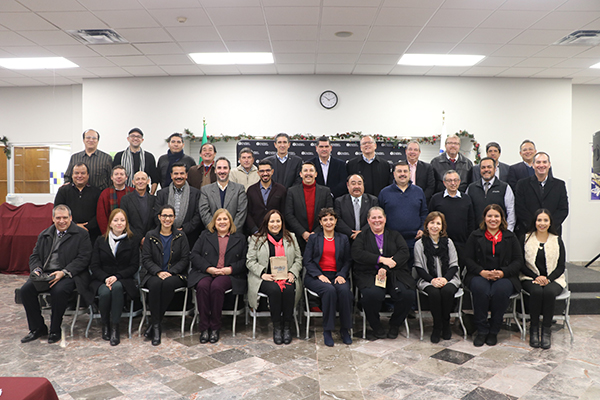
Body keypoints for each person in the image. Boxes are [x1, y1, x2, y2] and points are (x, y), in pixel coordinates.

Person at [20, 205, 92, 344]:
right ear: (53, 218)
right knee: (25, 291)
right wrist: (36, 269)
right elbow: (35, 256)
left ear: (71, 218)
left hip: (70, 274)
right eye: (58, 218)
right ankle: (37, 328)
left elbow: (84, 258)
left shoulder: (81, 234)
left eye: (65, 217)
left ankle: (55, 330)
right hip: (46, 273)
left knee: (58, 291)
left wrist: (63, 272)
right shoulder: (45, 234)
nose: (62, 221)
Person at [464, 204, 523, 347]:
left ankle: (493, 331)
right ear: (484, 218)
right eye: (489, 216)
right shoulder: (475, 235)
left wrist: (503, 272)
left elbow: (518, 260)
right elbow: (467, 259)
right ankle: (482, 330)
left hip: (505, 276)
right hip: (479, 275)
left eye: (496, 216)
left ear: (502, 218)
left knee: (500, 291)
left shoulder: (510, 236)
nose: (493, 219)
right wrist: (481, 272)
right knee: (480, 290)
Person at [352, 207, 414, 340]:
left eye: (379, 217)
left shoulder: (395, 235)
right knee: (372, 295)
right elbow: (357, 254)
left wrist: (385, 267)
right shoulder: (362, 236)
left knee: (407, 294)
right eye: (373, 218)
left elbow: (404, 252)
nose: (377, 220)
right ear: (368, 220)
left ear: (385, 219)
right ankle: (376, 325)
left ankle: (395, 324)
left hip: (394, 273)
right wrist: (380, 259)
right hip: (369, 274)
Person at [189, 209, 247, 344]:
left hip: (229, 274)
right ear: (214, 222)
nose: (222, 222)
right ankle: (204, 328)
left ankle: (215, 327)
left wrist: (230, 269)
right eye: (219, 219)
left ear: (230, 222)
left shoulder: (240, 238)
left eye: (225, 219)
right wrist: (209, 268)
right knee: (202, 286)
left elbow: (245, 261)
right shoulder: (205, 235)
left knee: (216, 286)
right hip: (206, 271)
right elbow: (194, 255)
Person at [246, 210, 302, 345]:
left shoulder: (291, 237)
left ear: (282, 223)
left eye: (278, 221)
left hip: (287, 276)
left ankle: (287, 327)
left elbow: (299, 259)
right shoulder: (256, 239)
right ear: (267, 223)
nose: (275, 224)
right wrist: (262, 274)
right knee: (275, 290)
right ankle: (277, 327)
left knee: (288, 289)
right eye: (272, 221)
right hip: (265, 278)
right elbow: (250, 261)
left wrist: (292, 273)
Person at [89, 208, 140, 346]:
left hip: (123, 278)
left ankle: (115, 328)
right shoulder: (100, 241)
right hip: (101, 279)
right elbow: (94, 266)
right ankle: (105, 325)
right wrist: (106, 278)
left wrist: (117, 276)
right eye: (116, 220)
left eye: (122, 220)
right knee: (105, 292)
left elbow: (134, 266)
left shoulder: (132, 240)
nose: (119, 223)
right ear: (110, 223)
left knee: (116, 288)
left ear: (126, 223)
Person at [141, 205, 189, 346]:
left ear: (174, 218)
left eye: (170, 216)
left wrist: (171, 272)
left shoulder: (181, 236)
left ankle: (154, 324)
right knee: (156, 284)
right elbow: (146, 259)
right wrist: (158, 271)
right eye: (164, 216)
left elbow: (185, 259)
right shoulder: (151, 235)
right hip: (153, 274)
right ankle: (156, 327)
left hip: (176, 274)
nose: (167, 219)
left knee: (167, 283)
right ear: (159, 218)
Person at [303, 208, 353, 346]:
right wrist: (319, 275)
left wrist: (342, 274)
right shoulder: (314, 238)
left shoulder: (343, 238)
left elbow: (348, 260)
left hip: (337, 275)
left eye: (331, 219)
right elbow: (307, 260)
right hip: (316, 276)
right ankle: (328, 330)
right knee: (329, 290)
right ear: (320, 222)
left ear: (336, 221)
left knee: (344, 291)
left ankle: (345, 329)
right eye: (325, 219)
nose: (328, 222)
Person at [520, 209, 566, 349]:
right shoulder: (526, 238)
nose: (542, 223)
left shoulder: (557, 240)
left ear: (550, 222)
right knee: (537, 292)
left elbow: (560, 266)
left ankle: (546, 330)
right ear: (535, 222)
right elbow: (521, 264)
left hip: (554, 278)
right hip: (529, 277)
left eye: (545, 220)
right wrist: (537, 277)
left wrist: (548, 279)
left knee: (549, 292)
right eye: (539, 220)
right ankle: (534, 329)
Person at [413, 212, 460, 343]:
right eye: (432, 223)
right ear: (426, 225)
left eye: (438, 223)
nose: (435, 226)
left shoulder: (448, 242)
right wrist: (432, 280)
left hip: (449, 278)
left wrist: (445, 279)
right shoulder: (419, 244)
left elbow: (454, 265)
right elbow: (419, 267)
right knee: (434, 293)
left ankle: (446, 324)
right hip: (427, 279)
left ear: (442, 227)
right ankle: (437, 326)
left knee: (447, 291)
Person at [515, 152, 568, 237]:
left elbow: (563, 209)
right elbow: (520, 208)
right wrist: (534, 226)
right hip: (529, 231)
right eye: (538, 162)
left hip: (553, 232)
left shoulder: (559, 185)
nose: (541, 165)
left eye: (544, 162)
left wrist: (548, 226)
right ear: (533, 165)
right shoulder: (522, 184)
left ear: (549, 164)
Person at [378, 161, 428, 251]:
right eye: (399, 171)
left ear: (410, 173)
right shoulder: (384, 193)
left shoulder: (419, 191)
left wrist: (422, 229)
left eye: (405, 171)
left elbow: (424, 213)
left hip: (415, 240)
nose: (402, 174)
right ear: (394, 174)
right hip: (391, 240)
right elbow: (380, 215)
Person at [428, 170, 475, 264]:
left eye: (455, 180)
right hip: (440, 243)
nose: (453, 183)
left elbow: (471, 221)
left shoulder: (466, 198)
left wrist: (469, 240)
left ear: (459, 181)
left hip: (462, 243)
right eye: (449, 181)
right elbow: (430, 220)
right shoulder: (436, 198)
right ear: (444, 183)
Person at [285, 161, 334, 250]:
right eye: (305, 171)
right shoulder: (292, 191)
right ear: (300, 174)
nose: (308, 173)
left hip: (320, 236)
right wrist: (303, 233)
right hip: (298, 238)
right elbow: (289, 214)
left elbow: (329, 214)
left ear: (316, 174)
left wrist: (316, 232)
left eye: (311, 171)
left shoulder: (325, 191)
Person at [154, 162, 202, 247]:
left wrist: (184, 229)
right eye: (176, 173)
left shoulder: (196, 193)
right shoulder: (161, 193)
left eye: (182, 173)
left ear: (186, 175)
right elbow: (156, 214)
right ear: (171, 175)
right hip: (165, 236)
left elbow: (198, 215)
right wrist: (169, 229)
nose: (179, 176)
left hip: (189, 237)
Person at [54, 162, 102, 244]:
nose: (79, 176)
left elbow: (99, 213)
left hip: (92, 234)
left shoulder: (96, 192)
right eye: (76, 173)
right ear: (72, 175)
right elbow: (58, 211)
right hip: (68, 233)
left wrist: (86, 227)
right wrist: (74, 225)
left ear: (88, 175)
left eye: (83, 173)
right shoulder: (63, 191)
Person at [466, 157, 515, 231]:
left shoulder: (505, 187)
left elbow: (511, 212)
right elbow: (467, 212)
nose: (486, 170)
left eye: (489, 167)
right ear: (480, 170)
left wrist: (508, 232)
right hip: (477, 235)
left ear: (495, 169)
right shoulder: (471, 188)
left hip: (499, 235)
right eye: (483, 167)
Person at [199, 157, 248, 230]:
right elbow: (204, 212)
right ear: (215, 170)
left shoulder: (239, 189)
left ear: (229, 170)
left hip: (234, 234)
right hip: (213, 233)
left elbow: (241, 212)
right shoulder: (206, 190)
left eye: (225, 168)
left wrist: (232, 229)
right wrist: (215, 228)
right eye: (219, 168)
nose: (222, 171)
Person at [113, 127, 160, 194]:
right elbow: (114, 177)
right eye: (132, 136)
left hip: (143, 195)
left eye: (138, 137)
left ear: (142, 140)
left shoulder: (149, 157)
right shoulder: (119, 156)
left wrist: (151, 194)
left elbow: (155, 178)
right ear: (128, 139)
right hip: (123, 193)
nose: (135, 138)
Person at [246, 159, 287, 234]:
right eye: (262, 171)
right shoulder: (251, 190)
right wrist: (254, 230)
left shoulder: (281, 190)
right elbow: (248, 213)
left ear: (272, 171)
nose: (265, 173)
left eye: (268, 170)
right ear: (258, 173)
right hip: (256, 232)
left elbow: (284, 212)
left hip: (276, 232)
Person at [334, 174, 379, 241]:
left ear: (363, 185)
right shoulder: (339, 201)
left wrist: (361, 233)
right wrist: (351, 234)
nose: (357, 186)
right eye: (353, 184)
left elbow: (375, 219)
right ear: (348, 185)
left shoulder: (372, 200)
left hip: (368, 238)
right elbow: (337, 220)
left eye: (359, 183)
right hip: (346, 238)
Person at [96, 165, 134, 235]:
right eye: (116, 174)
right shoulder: (105, 194)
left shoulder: (133, 192)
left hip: (130, 232)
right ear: (111, 177)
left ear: (126, 177)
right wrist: (107, 233)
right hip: (110, 233)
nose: (119, 176)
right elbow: (101, 217)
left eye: (121, 174)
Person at [120, 171, 157, 242]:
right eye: (137, 179)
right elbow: (125, 221)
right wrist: (140, 238)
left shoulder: (154, 199)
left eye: (143, 179)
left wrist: (148, 237)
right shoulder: (125, 199)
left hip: (151, 239)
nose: (140, 181)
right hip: (131, 239)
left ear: (148, 181)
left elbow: (156, 220)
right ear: (133, 182)